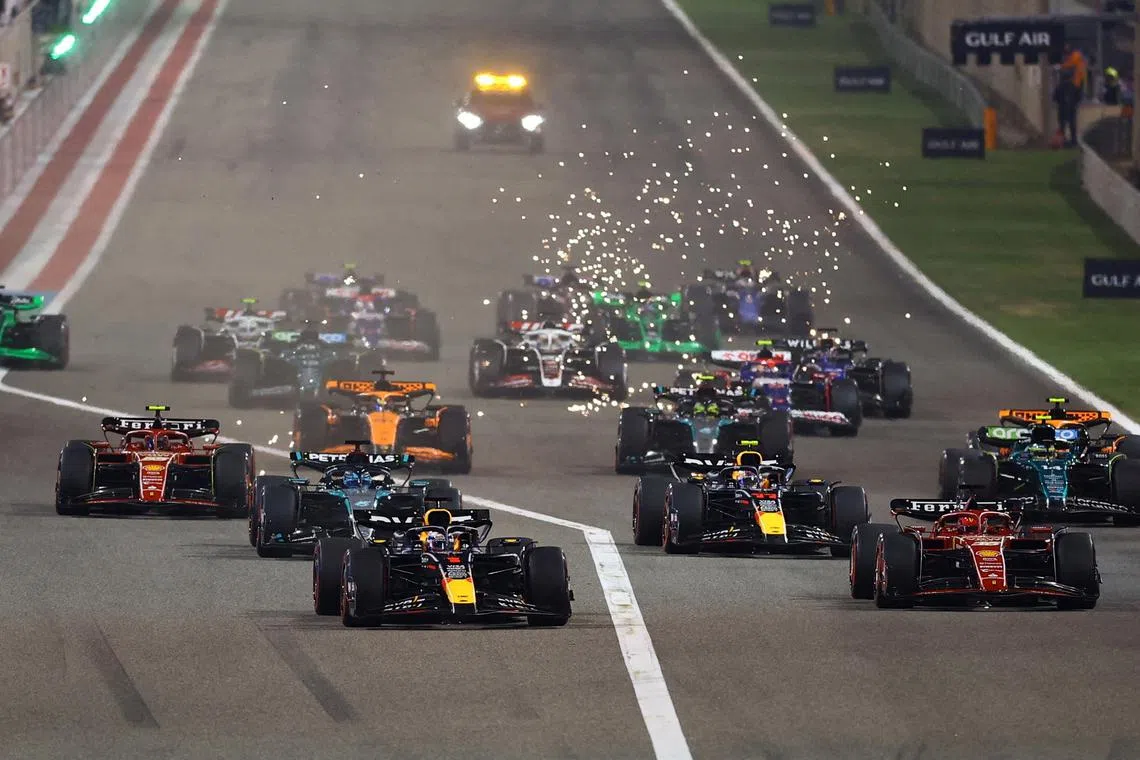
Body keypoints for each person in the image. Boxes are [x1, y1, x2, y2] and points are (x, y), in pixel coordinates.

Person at [1055, 44, 1087, 147]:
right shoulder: (1078, 60)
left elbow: (1067, 73)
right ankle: (1072, 140)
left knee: (1064, 120)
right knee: (1070, 119)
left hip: (1070, 92)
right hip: (1074, 92)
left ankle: (1065, 140)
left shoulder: (1073, 60)